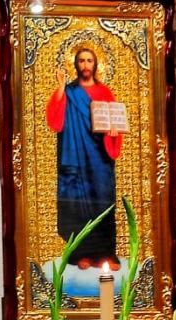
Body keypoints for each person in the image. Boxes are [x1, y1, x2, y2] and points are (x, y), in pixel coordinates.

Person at [46, 45, 123, 269]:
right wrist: (60, 86)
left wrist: (113, 131)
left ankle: (106, 254)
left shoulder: (105, 92)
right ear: (76, 65)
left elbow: (114, 120)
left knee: (103, 201)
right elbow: (54, 120)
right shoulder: (69, 91)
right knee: (78, 204)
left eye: (89, 61)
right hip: (76, 158)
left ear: (96, 65)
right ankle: (81, 255)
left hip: (99, 158)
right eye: (82, 61)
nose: (85, 65)